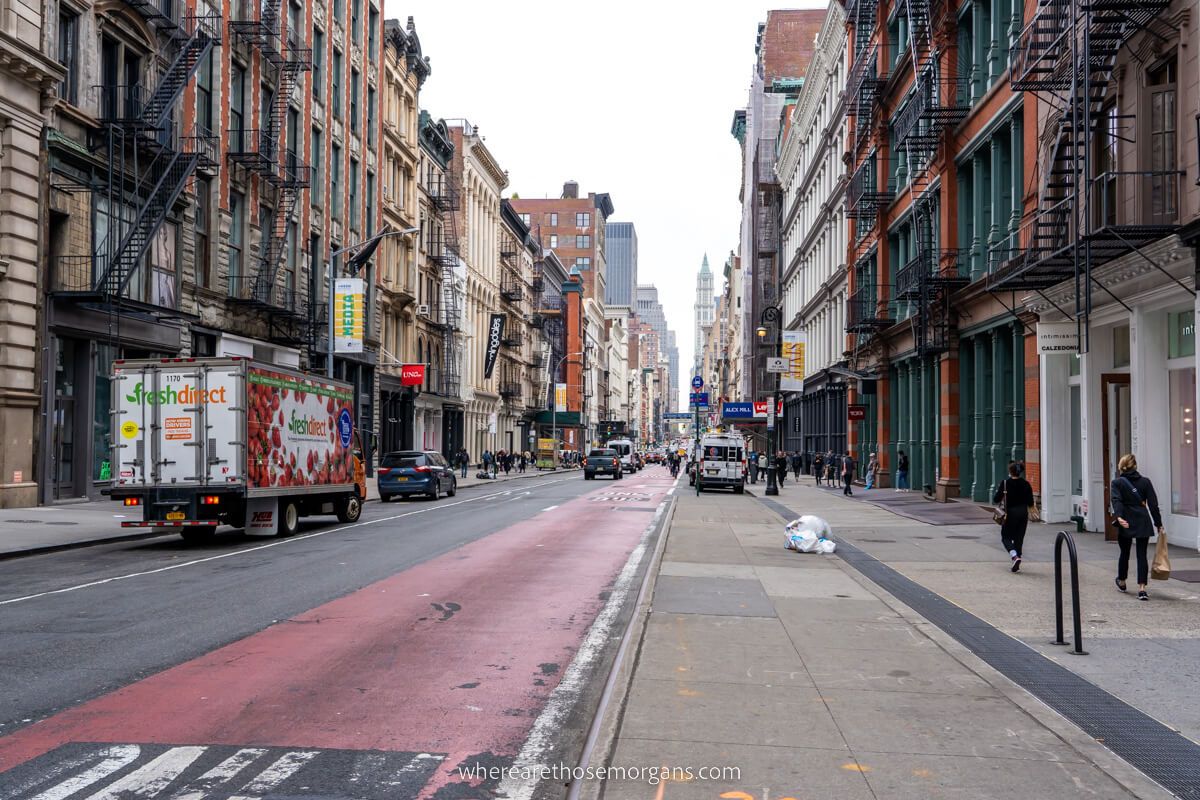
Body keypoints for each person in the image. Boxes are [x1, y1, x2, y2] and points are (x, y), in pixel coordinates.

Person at [1110, 453, 1164, 600]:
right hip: (1142, 520)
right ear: (1135, 466)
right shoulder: (1145, 482)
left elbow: (1117, 501)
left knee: (1125, 552)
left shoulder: (1117, 483)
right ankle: (1142, 588)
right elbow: (1153, 505)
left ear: (1122, 467)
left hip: (1126, 520)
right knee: (1142, 554)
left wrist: (1119, 517)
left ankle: (1122, 580)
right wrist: (1158, 524)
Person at [993, 461, 1034, 572]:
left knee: (1005, 537)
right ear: (1020, 472)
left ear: (1010, 471)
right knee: (1019, 538)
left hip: (1010, 514)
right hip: (1023, 513)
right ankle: (1017, 560)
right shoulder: (1026, 484)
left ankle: (1014, 556)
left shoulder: (1005, 483)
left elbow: (996, 499)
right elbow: (1030, 502)